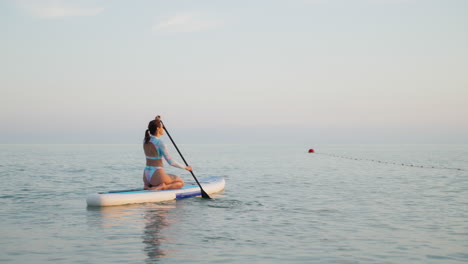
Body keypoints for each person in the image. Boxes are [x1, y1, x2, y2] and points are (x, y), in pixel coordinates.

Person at [143, 116, 192, 190]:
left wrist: (157, 121)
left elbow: (154, 127)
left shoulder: (146, 140)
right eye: (162, 127)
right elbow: (171, 162)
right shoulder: (160, 143)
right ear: (158, 128)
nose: (163, 129)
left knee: (170, 180)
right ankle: (163, 187)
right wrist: (186, 167)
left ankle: (149, 186)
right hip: (157, 175)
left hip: (146, 176)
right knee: (181, 182)